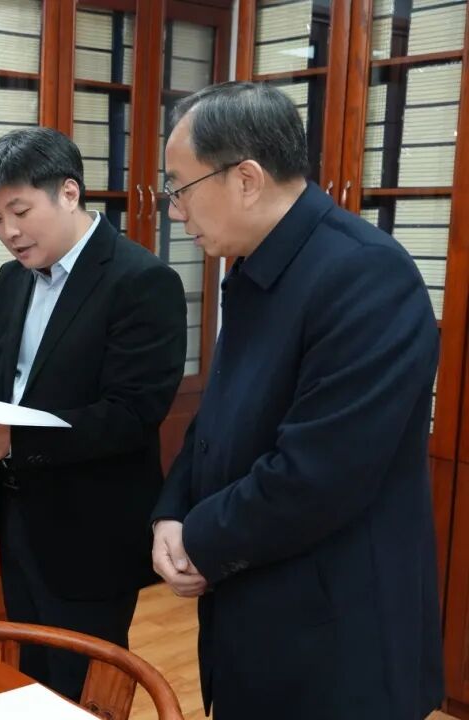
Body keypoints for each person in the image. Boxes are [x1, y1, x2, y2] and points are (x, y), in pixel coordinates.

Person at [151, 81, 444, 719]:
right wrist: (172, 512)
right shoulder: (258, 263)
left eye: (180, 188)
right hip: (257, 609)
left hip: (335, 636)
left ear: (246, 179)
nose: (175, 211)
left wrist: (199, 537)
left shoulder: (365, 274)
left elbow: (318, 475)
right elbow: (220, 416)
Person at [0, 127, 187, 701]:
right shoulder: (12, 280)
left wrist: (15, 442)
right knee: (32, 681)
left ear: (69, 192)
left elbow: (131, 415)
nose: (8, 233)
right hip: (17, 516)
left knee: (84, 688)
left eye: (20, 212)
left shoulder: (141, 281)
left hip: (90, 530)